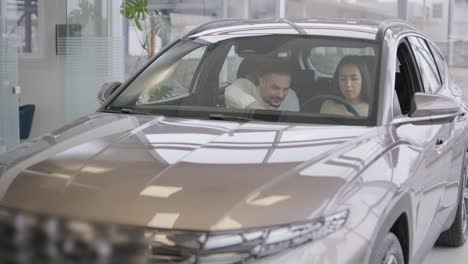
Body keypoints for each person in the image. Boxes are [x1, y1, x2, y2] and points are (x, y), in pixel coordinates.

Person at [224, 61, 300, 111]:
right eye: (275, 88)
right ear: (262, 82)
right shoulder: (247, 86)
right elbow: (231, 91)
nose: (281, 95)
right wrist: (253, 107)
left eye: (285, 89)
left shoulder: (291, 96)